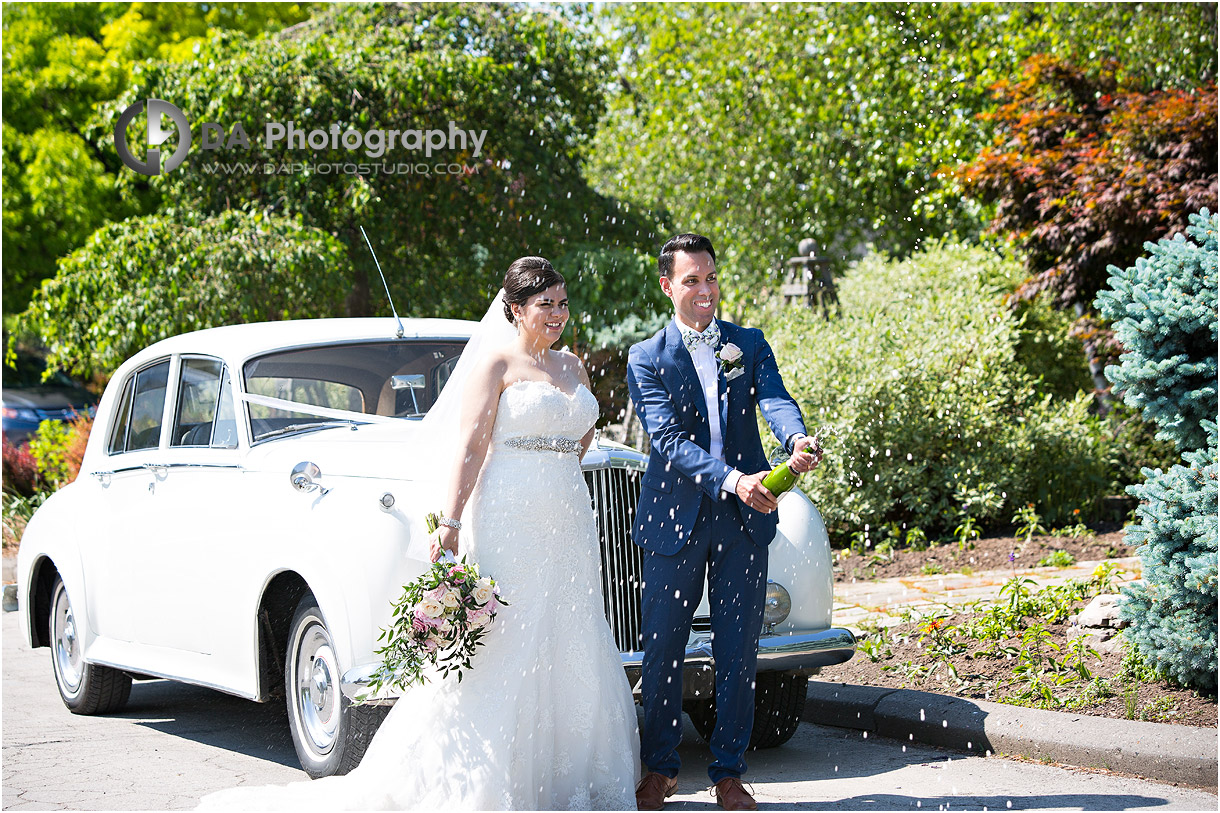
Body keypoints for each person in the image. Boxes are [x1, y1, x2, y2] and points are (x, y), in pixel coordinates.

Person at [200, 258, 639, 810]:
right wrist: (451, 522)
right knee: (506, 639)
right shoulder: (495, 363)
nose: (557, 314)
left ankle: (563, 780)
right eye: (544, 304)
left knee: (571, 634)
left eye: (562, 302)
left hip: (568, 519)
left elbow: (579, 435)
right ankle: (481, 782)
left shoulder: (573, 366)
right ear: (515, 310)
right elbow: (470, 447)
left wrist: (555, 468)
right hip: (508, 513)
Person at [626, 234, 821, 812]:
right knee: (663, 649)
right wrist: (736, 479)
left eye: (711, 278)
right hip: (675, 516)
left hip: (743, 518)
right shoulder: (646, 357)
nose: (705, 290)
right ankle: (660, 769)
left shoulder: (748, 343)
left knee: (739, 649)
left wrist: (795, 438)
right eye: (692, 281)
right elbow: (668, 441)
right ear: (668, 286)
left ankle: (729, 774)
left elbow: (777, 399)